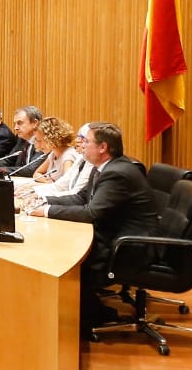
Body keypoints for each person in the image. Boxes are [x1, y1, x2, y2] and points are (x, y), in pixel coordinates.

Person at [26, 122, 160, 328]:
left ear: (102, 147)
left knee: (65, 253)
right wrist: (44, 203)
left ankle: (91, 315)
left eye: (86, 141)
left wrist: (46, 212)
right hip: (115, 233)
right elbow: (81, 197)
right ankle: (83, 311)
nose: (81, 144)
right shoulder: (104, 167)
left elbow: (91, 212)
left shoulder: (117, 173)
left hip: (131, 246)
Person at [0, 106, 45, 173]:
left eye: (19, 123)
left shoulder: (44, 141)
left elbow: (31, 169)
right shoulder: (21, 139)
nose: (15, 128)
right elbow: (9, 160)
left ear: (34, 123)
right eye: (15, 124)